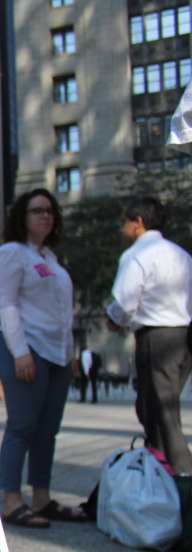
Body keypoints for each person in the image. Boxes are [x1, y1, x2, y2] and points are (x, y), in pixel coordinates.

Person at [0, 188, 86, 528]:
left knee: (47, 431)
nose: (45, 216)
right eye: (37, 211)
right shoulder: (11, 253)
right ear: (22, 216)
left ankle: (42, 498)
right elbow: (7, 304)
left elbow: (61, 313)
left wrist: (70, 355)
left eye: (50, 211)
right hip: (25, 350)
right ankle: (11, 500)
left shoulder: (51, 260)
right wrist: (20, 352)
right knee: (22, 426)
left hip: (57, 355)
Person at [106, 197, 192, 474]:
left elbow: (124, 302)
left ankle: (182, 476)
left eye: (124, 222)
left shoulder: (137, 255)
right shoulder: (181, 254)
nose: (122, 229)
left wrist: (113, 320)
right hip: (184, 336)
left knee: (161, 412)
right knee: (154, 409)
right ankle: (160, 469)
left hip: (157, 339)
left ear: (138, 222)